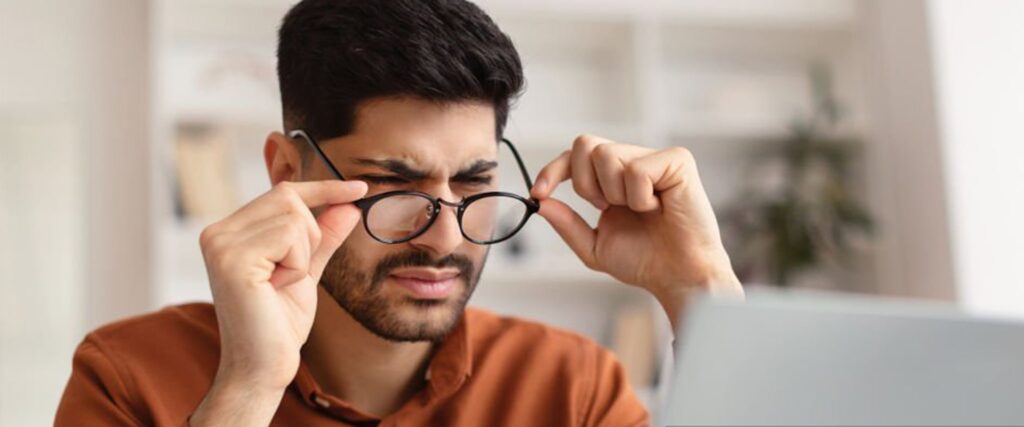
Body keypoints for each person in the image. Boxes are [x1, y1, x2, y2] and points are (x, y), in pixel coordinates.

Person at [55, 0, 743, 425]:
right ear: (287, 172)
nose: (445, 234)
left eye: (475, 182)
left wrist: (700, 291)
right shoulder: (126, 376)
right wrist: (248, 385)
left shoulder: (572, 387)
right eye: (393, 183)